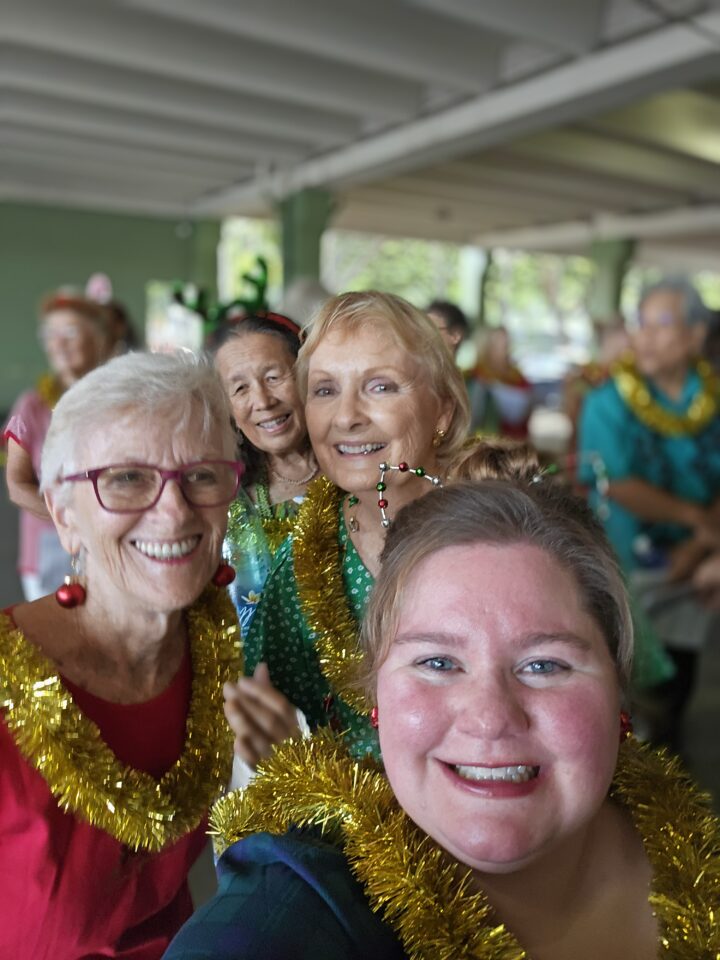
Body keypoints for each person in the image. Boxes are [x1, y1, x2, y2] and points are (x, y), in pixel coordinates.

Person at [164, 444, 719, 960]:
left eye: (544, 665)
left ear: (618, 691)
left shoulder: (695, 848)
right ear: (373, 692)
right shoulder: (295, 904)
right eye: (437, 662)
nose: (490, 718)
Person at [0, 352, 243, 960]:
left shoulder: (215, 647)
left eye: (202, 476)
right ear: (63, 514)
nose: (175, 510)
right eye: (128, 478)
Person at [223, 291, 470, 766]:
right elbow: (257, 719)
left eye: (380, 387)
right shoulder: (305, 558)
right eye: (325, 390)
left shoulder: (513, 535)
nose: (347, 417)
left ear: (441, 409)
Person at [578, 278, 720, 746]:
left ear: (696, 336)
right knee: (623, 683)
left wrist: (702, 544)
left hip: (699, 563)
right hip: (625, 562)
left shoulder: (714, 396)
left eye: (662, 323)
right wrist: (696, 520)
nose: (645, 336)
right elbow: (616, 482)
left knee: (677, 682)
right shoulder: (608, 399)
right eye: (641, 323)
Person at [212, 313, 317, 634]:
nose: (263, 401)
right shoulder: (222, 496)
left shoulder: (356, 479)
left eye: (274, 377)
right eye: (240, 388)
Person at [3, 292, 110, 600]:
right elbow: (16, 485)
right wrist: (75, 525)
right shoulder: (32, 406)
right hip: (50, 548)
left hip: (112, 542)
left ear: (99, 339)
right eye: (50, 334)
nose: (58, 343)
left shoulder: (117, 402)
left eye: (71, 332)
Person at [468, 325, 532, 438]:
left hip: (517, 441)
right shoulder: (476, 375)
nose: (505, 348)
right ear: (488, 347)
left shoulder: (517, 376)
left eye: (506, 343)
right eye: (498, 344)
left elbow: (526, 409)